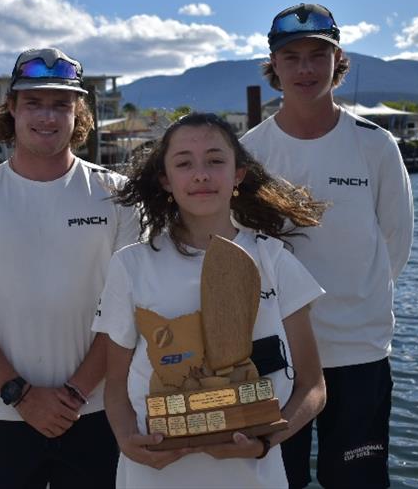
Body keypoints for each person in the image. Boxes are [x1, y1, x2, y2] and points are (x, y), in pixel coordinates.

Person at [0, 47, 141, 488]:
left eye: (61, 104)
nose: (47, 116)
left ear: (78, 110)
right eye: (33, 102)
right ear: (11, 107)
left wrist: (75, 394)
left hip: (97, 413)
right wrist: (19, 395)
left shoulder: (116, 194)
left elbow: (127, 309)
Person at [92, 112, 328, 488]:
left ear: (238, 175)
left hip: (254, 476)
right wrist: (127, 441)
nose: (201, 174)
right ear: (166, 180)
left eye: (216, 161)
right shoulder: (131, 265)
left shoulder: (274, 260)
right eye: (184, 163)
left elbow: (313, 386)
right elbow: (115, 386)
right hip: (157, 475)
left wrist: (265, 442)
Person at [241, 3, 414, 488]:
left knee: (358, 480)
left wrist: (356, 301)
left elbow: (395, 243)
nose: (305, 68)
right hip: (275, 354)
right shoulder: (249, 153)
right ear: (273, 64)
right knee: (278, 480)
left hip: (359, 351)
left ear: (338, 60)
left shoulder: (376, 145)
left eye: (319, 54)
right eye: (291, 56)